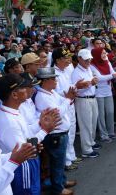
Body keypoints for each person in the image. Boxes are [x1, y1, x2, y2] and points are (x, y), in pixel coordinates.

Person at [0, 74, 60, 195]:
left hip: (26, 163)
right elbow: (24, 150)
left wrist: (40, 124)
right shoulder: (8, 121)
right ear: (14, 94)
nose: (29, 89)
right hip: (22, 168)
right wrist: (45, 131)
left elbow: (25, 133)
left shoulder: (12, 111)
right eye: (23, 87)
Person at [35, 67, 78, 195]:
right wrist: (68, 99)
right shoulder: (42, 96)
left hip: (60, 133)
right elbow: (57, 113)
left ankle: (61, 182)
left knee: (60, 161)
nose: (56, 81)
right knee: (57, 163)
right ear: (44, 81)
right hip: (55, 134)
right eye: (53, 78)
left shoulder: (50, 92)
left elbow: (62, 103)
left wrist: (67, 99)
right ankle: (58, 189)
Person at [52, 48, 82, 171]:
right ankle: (66, 161)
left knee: (72, 130)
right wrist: (72, 90)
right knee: (67, 132)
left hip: (70, 102)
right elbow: (56, 92)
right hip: (63, 105)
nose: (68, 60)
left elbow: (71, 85)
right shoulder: (53, 73)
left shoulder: (67, 69)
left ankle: (72, 156)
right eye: (65, 58)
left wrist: (75, 88)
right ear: (58, 60)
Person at [71, 49, 100, 158]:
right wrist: (90, 84)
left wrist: (92, 82)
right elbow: (76, 91)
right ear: (79, 59)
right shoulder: (76, 73)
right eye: (86, 60)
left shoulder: (87, 68)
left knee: (92, 122)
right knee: (86, 125)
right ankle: (86, 149)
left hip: (92, 98)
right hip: (83, 99)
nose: (89, 61)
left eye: (90, 59)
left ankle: (91, 142)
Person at [90, 48, 116, 142]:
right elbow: (99, 78)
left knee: (110, 112)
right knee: (101, 115)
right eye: (102, 53)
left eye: (105, 53)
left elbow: (112, 72)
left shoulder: (107, 61)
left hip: (108, 91)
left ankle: (111, 132)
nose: (104, 54)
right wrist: (113, 76)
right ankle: (104, 135)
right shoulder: (92, 65)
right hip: (98, 93)